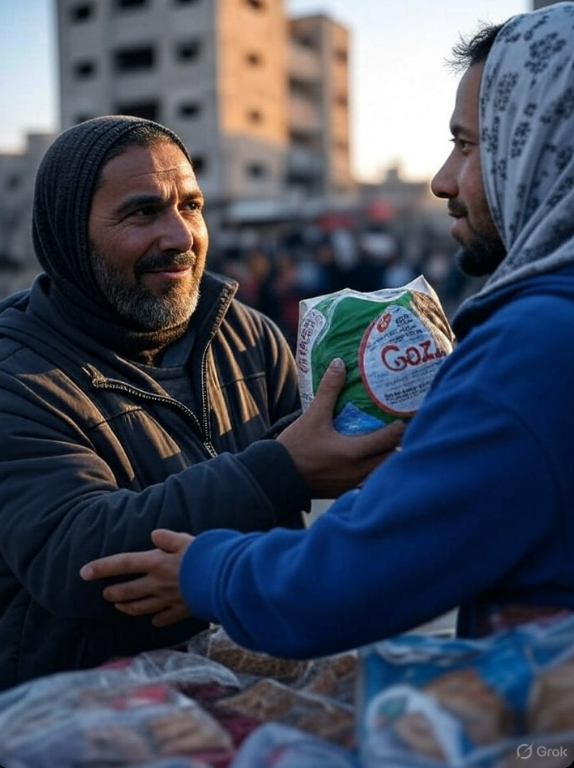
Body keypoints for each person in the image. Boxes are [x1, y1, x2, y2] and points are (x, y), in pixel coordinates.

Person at [81, 2, 574, 660]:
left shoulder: (539, 342)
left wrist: (209, 568)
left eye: (467, 145)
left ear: (543, 151)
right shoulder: (20, 368)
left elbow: (355, 576)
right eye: (143, 212)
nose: (441, 180)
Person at [0, 115, 404, 691]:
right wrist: (280, 470)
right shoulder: (18, 377)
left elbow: (307, 498)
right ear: (70, 232)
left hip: (260, 685)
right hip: (94, 714)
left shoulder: (250, 336)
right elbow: (75, 556)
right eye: (143, 212)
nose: (181, 236)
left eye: (190, 206)